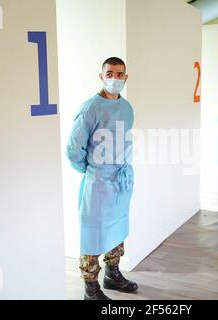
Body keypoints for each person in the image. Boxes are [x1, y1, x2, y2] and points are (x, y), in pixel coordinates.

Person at [66, 57, 138, 300]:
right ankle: (91, 288)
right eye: (110, 73)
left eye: (120, 74)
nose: (114, 79)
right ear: (101, 76)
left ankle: (112, 274)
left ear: (125, 78)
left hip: (120, 180)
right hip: (98, 182)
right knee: (93, 232)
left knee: (117, 227)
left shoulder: (127, 108)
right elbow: (74, 150)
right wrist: (94, 170)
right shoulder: (90, 108)